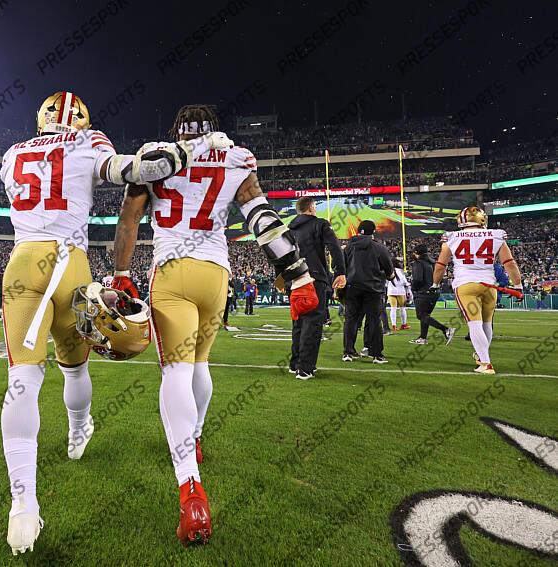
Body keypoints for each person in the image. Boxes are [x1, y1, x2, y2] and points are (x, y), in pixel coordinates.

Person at [0, 91, 230, 555]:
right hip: (71, 263)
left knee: (22, 376)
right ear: (82, 121)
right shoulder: (88, 143)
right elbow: (141, 170)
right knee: (75, 368)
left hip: (23, 262)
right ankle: (78, 427)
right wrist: (194, 148)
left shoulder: (11, 154)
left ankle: (23, 502)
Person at [112, 104, 318, 547]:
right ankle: (197, 437)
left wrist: (120, 273)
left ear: (175, 132)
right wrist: (297, 273)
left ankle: (191, 488)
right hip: (216, 274)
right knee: (201, 365)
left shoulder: (155, 157)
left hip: (171, 269)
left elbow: (128, 220)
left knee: (176, 372)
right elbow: (262, 220)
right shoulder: (235, 157)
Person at [433, 206, 522, 374]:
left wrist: (435, 284)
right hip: (489, 285)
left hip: (466, 284)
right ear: (482, 219)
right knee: (486, 323)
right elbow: (509, 263)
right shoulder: (496, 235)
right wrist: (517, 285)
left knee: (474, 324)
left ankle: (486, 363)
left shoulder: (451, 237)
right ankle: (482, 355)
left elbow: (440, 266)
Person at [287, 196, 346, 379]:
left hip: (294, 279)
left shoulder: (288, 229)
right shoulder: (320, 224)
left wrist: (281, 280)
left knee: (299, 322)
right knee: (313, 323)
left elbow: (280, 255)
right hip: (314, 278)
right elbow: (334, 247)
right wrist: (340, 271)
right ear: (312, 208)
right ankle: (305, 368)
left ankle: (295, 363)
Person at [342, 220, 394, 364]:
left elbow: (338, 266)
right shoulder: (379, 248)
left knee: (351, 321)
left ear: (358, 231)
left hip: (352, 288)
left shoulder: (348, 248)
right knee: (374, 321)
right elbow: (390, 271)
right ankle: (376, 354)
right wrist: (388, 275)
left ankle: (348, 352)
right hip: (373, 290)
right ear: (373, 232)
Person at [409, 243, 455, 345]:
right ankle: (422, 338)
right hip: (434, 292)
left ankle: (446, 330)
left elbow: (417, 279)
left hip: (423, 293)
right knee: (426, 315)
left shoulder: (419, 263)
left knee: (421, 315)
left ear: (416, 253)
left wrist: (414, 288)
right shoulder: (433, 263)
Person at [387, 258, 410, 331]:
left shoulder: (388, 270)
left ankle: (394, 325)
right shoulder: (400, 271)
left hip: (391, 291)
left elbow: (386, 282)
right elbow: (404, 282)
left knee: (393, 309)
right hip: (400, 291)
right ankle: (404, 324)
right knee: (402, 308)